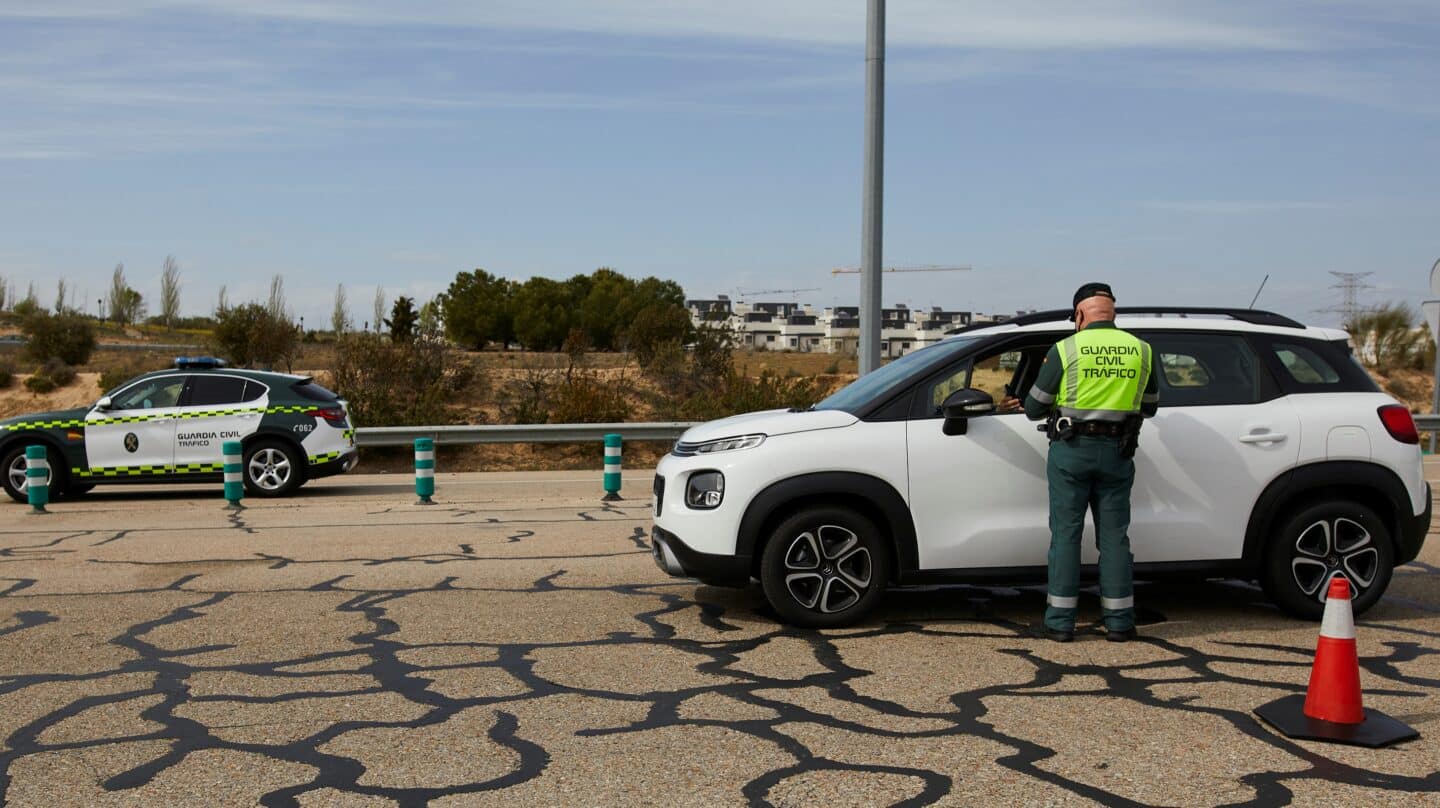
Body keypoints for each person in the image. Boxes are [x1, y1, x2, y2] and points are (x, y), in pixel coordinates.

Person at [1023, 283, 1158, 642]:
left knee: (1066, 535)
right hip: (1119, 451)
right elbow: (1151, 404)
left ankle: (1060, 624)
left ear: (1080, 314)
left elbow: (1034, 406)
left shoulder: (1067, 349)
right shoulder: (1142, 351)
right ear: (1112, 313)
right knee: (1114, 537)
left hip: (1072, 450)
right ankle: (1119, 623)